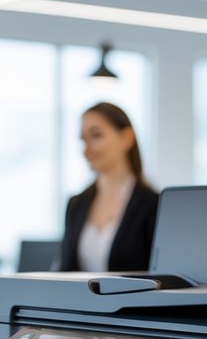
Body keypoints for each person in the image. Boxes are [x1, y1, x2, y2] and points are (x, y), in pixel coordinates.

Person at [58, 102, 158, 272]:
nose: (86, 149)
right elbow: (65, 270)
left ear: (126, 138)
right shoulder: (76, 204)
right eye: (83, 140)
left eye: (96, 135)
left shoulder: (154, 205)